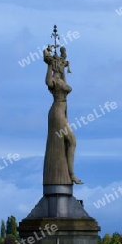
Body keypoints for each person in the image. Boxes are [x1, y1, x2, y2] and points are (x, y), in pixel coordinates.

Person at [43, 56, 83, 185]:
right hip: (57, 113)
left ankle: (70, 173)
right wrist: (49, 65)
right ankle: (71, 174)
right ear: (55, 65)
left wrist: (63, 68)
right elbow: (48, 82)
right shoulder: (54, 80)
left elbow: (65, 84)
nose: (62, 65)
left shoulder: (61, 79)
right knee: (71, 140)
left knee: (69, 142)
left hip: (62, 112)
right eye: (60, 64)